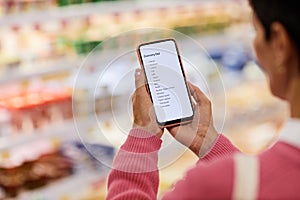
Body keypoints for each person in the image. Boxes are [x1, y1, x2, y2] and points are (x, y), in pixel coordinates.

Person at [106, 0, 300, 199]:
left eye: (255, 31)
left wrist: (143, 132)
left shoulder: (204, 186)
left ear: (279, 43)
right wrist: (206, 140)